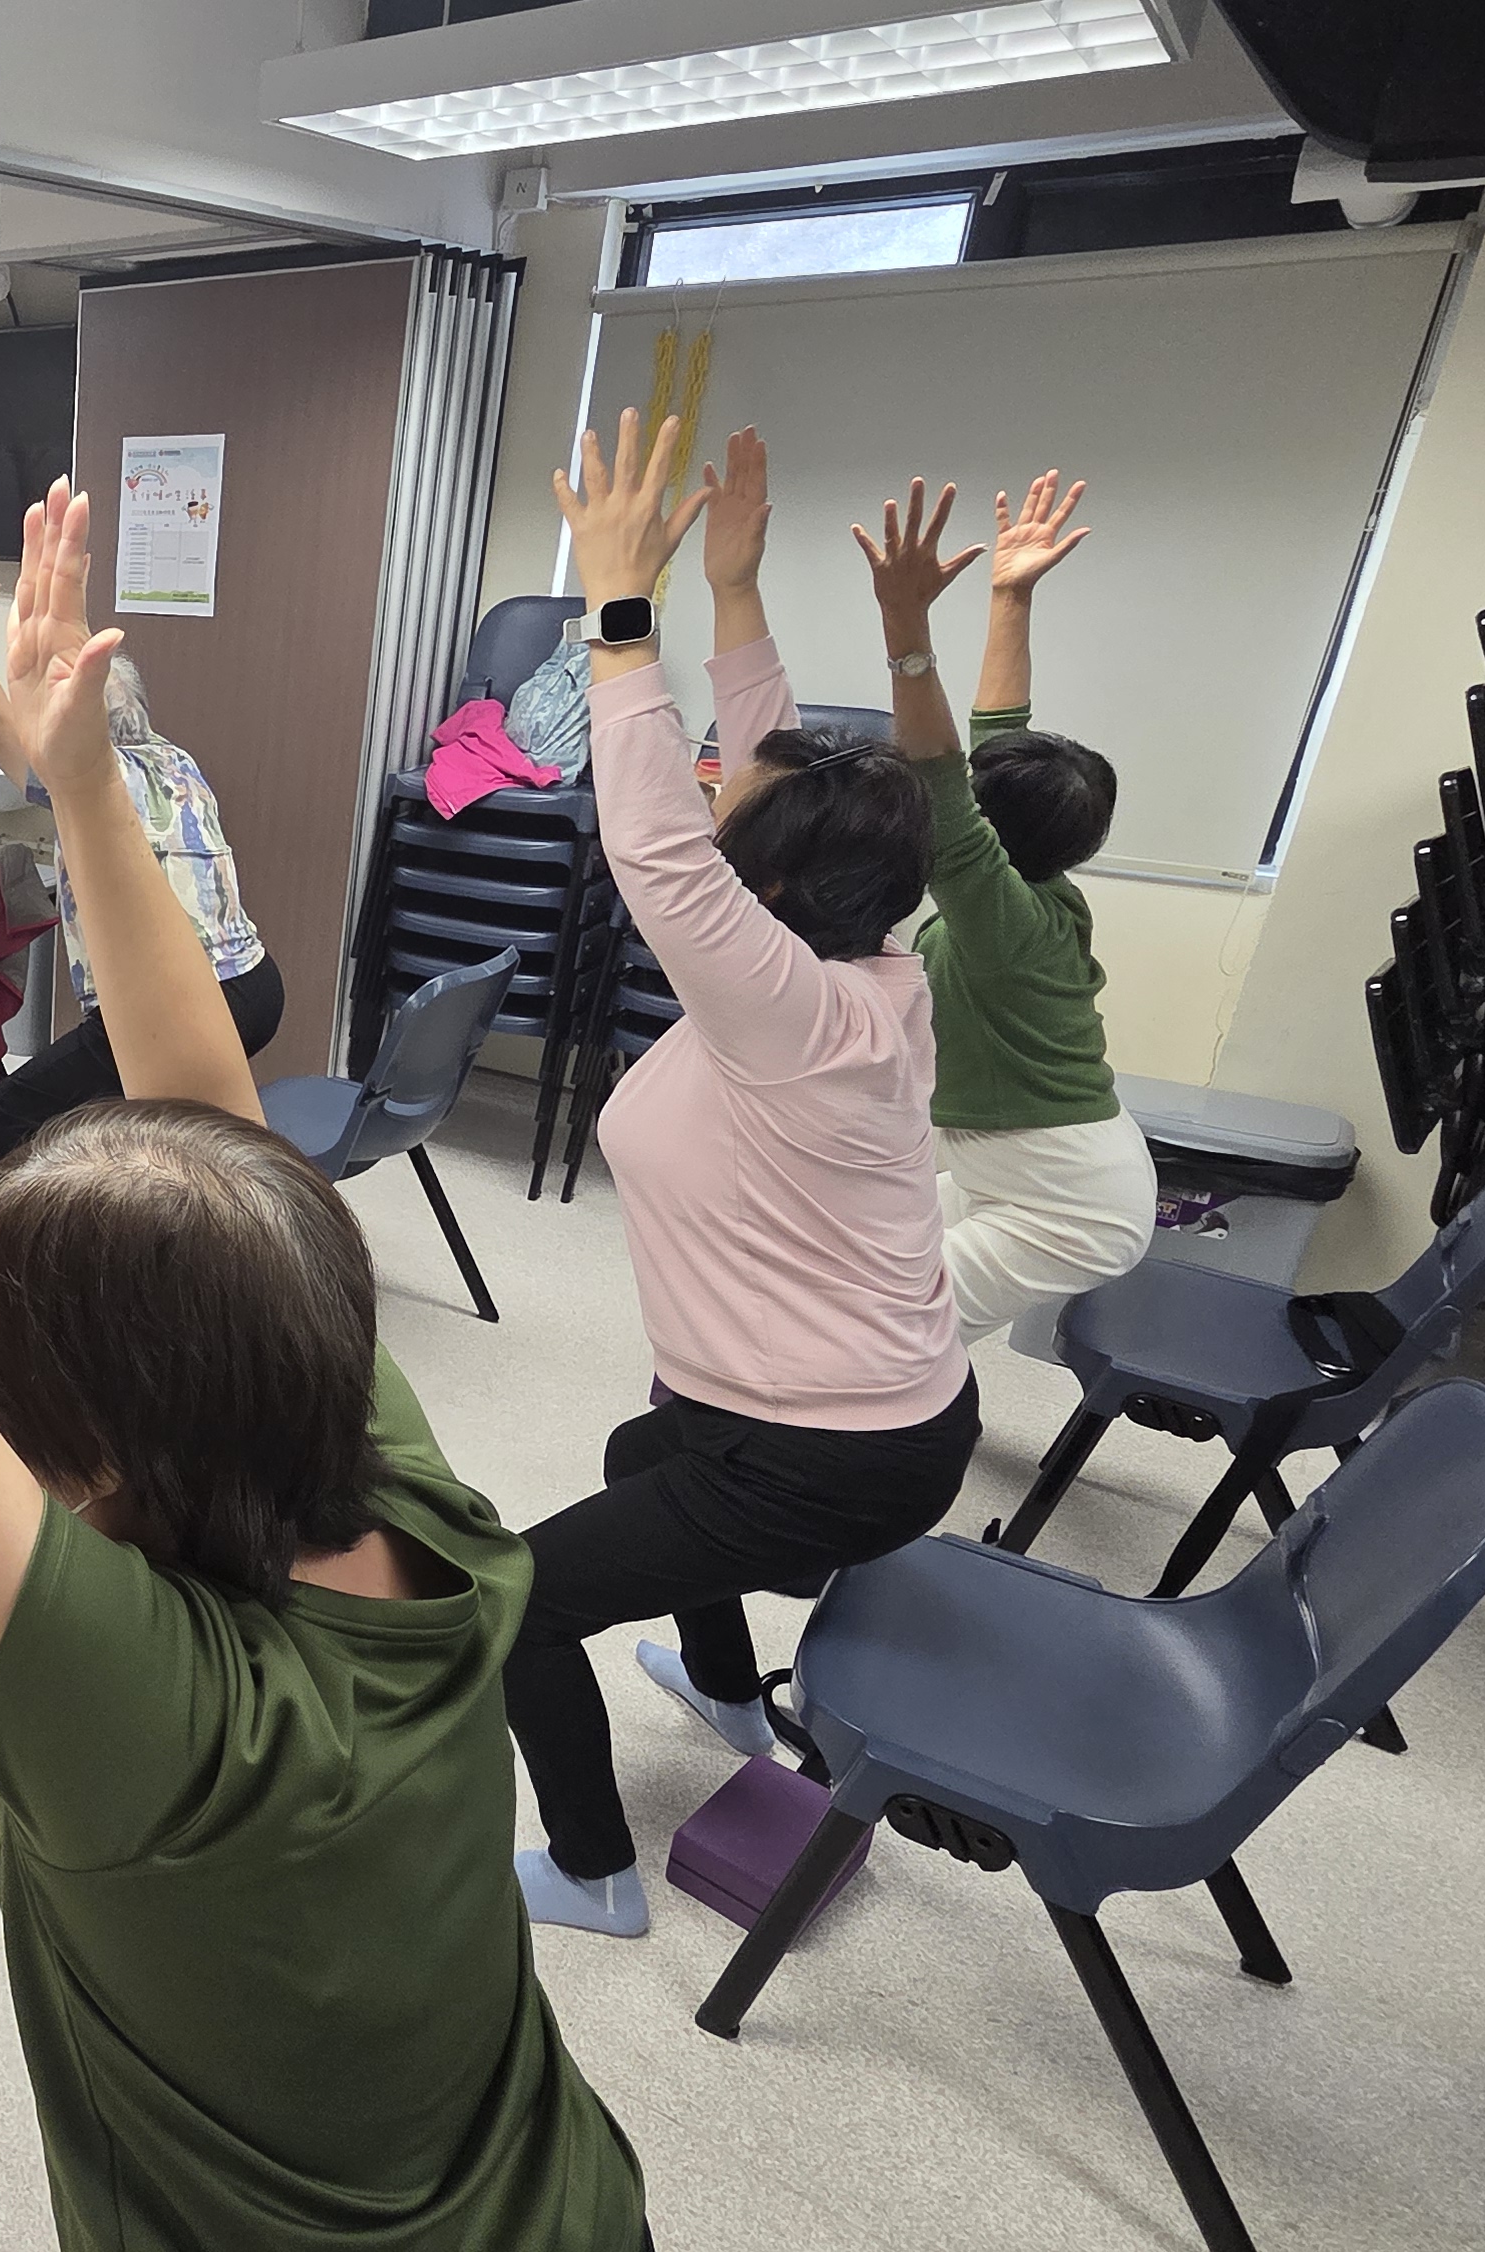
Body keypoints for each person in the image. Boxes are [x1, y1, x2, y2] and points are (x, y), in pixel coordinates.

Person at [0, 463, 644, 2249]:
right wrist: (82, 782)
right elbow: (213, 1116)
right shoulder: (417, 1506)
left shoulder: (164, 1729)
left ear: (81, 1457)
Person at [501, 418, 978, 1941]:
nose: (709, 783)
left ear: (761, 887)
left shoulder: (786, 1008)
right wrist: (733, 588)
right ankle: (724, 1693)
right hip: (860, 1412)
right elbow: (767, 781)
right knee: (639, 1449)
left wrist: (621, 612)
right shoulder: (864, 961)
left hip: (824, 1452)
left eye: (727, 799)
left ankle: (591, 1869)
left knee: (510, 1604)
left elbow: (657, 845)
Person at [0, 540, 279, 1169]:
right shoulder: (177, 761)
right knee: (126, 1109)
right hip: (256, 986)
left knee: (13, 1111)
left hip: (182, 1000)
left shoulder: (89, 778)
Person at [921, 470, 1152, 1340]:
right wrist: (1009, 597)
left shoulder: (1004, 921)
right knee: (862, 1281)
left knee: (878, 1330)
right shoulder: (1037, 885)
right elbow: (999, 739)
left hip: (1072, 1207)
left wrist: (907, 634)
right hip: (1023, 1169)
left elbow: (943, 784)